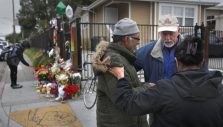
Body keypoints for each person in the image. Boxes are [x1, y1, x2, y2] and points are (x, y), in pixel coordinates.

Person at [109, 36, 223, 127]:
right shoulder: (219, 90)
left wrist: (121, 77)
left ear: (176, 62)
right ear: (203, 62)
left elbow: (129, 103)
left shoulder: (163, 90)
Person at [92, 18, 150, 127]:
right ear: (126, 39)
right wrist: (148, 88)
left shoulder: (122, 57)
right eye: (137, 38)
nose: (139, 41)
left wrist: (146, 85)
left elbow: (130, 85)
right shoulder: (113, 60)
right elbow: (123, 97)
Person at [135, 15, 184, 83]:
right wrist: (140, 87)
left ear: (178, 31)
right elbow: (128, 69)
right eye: (164, 33)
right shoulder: (148, 50)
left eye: (171, 33)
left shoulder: (189, 50)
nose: (167, 38)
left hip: (180, 93)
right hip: (155, 93)